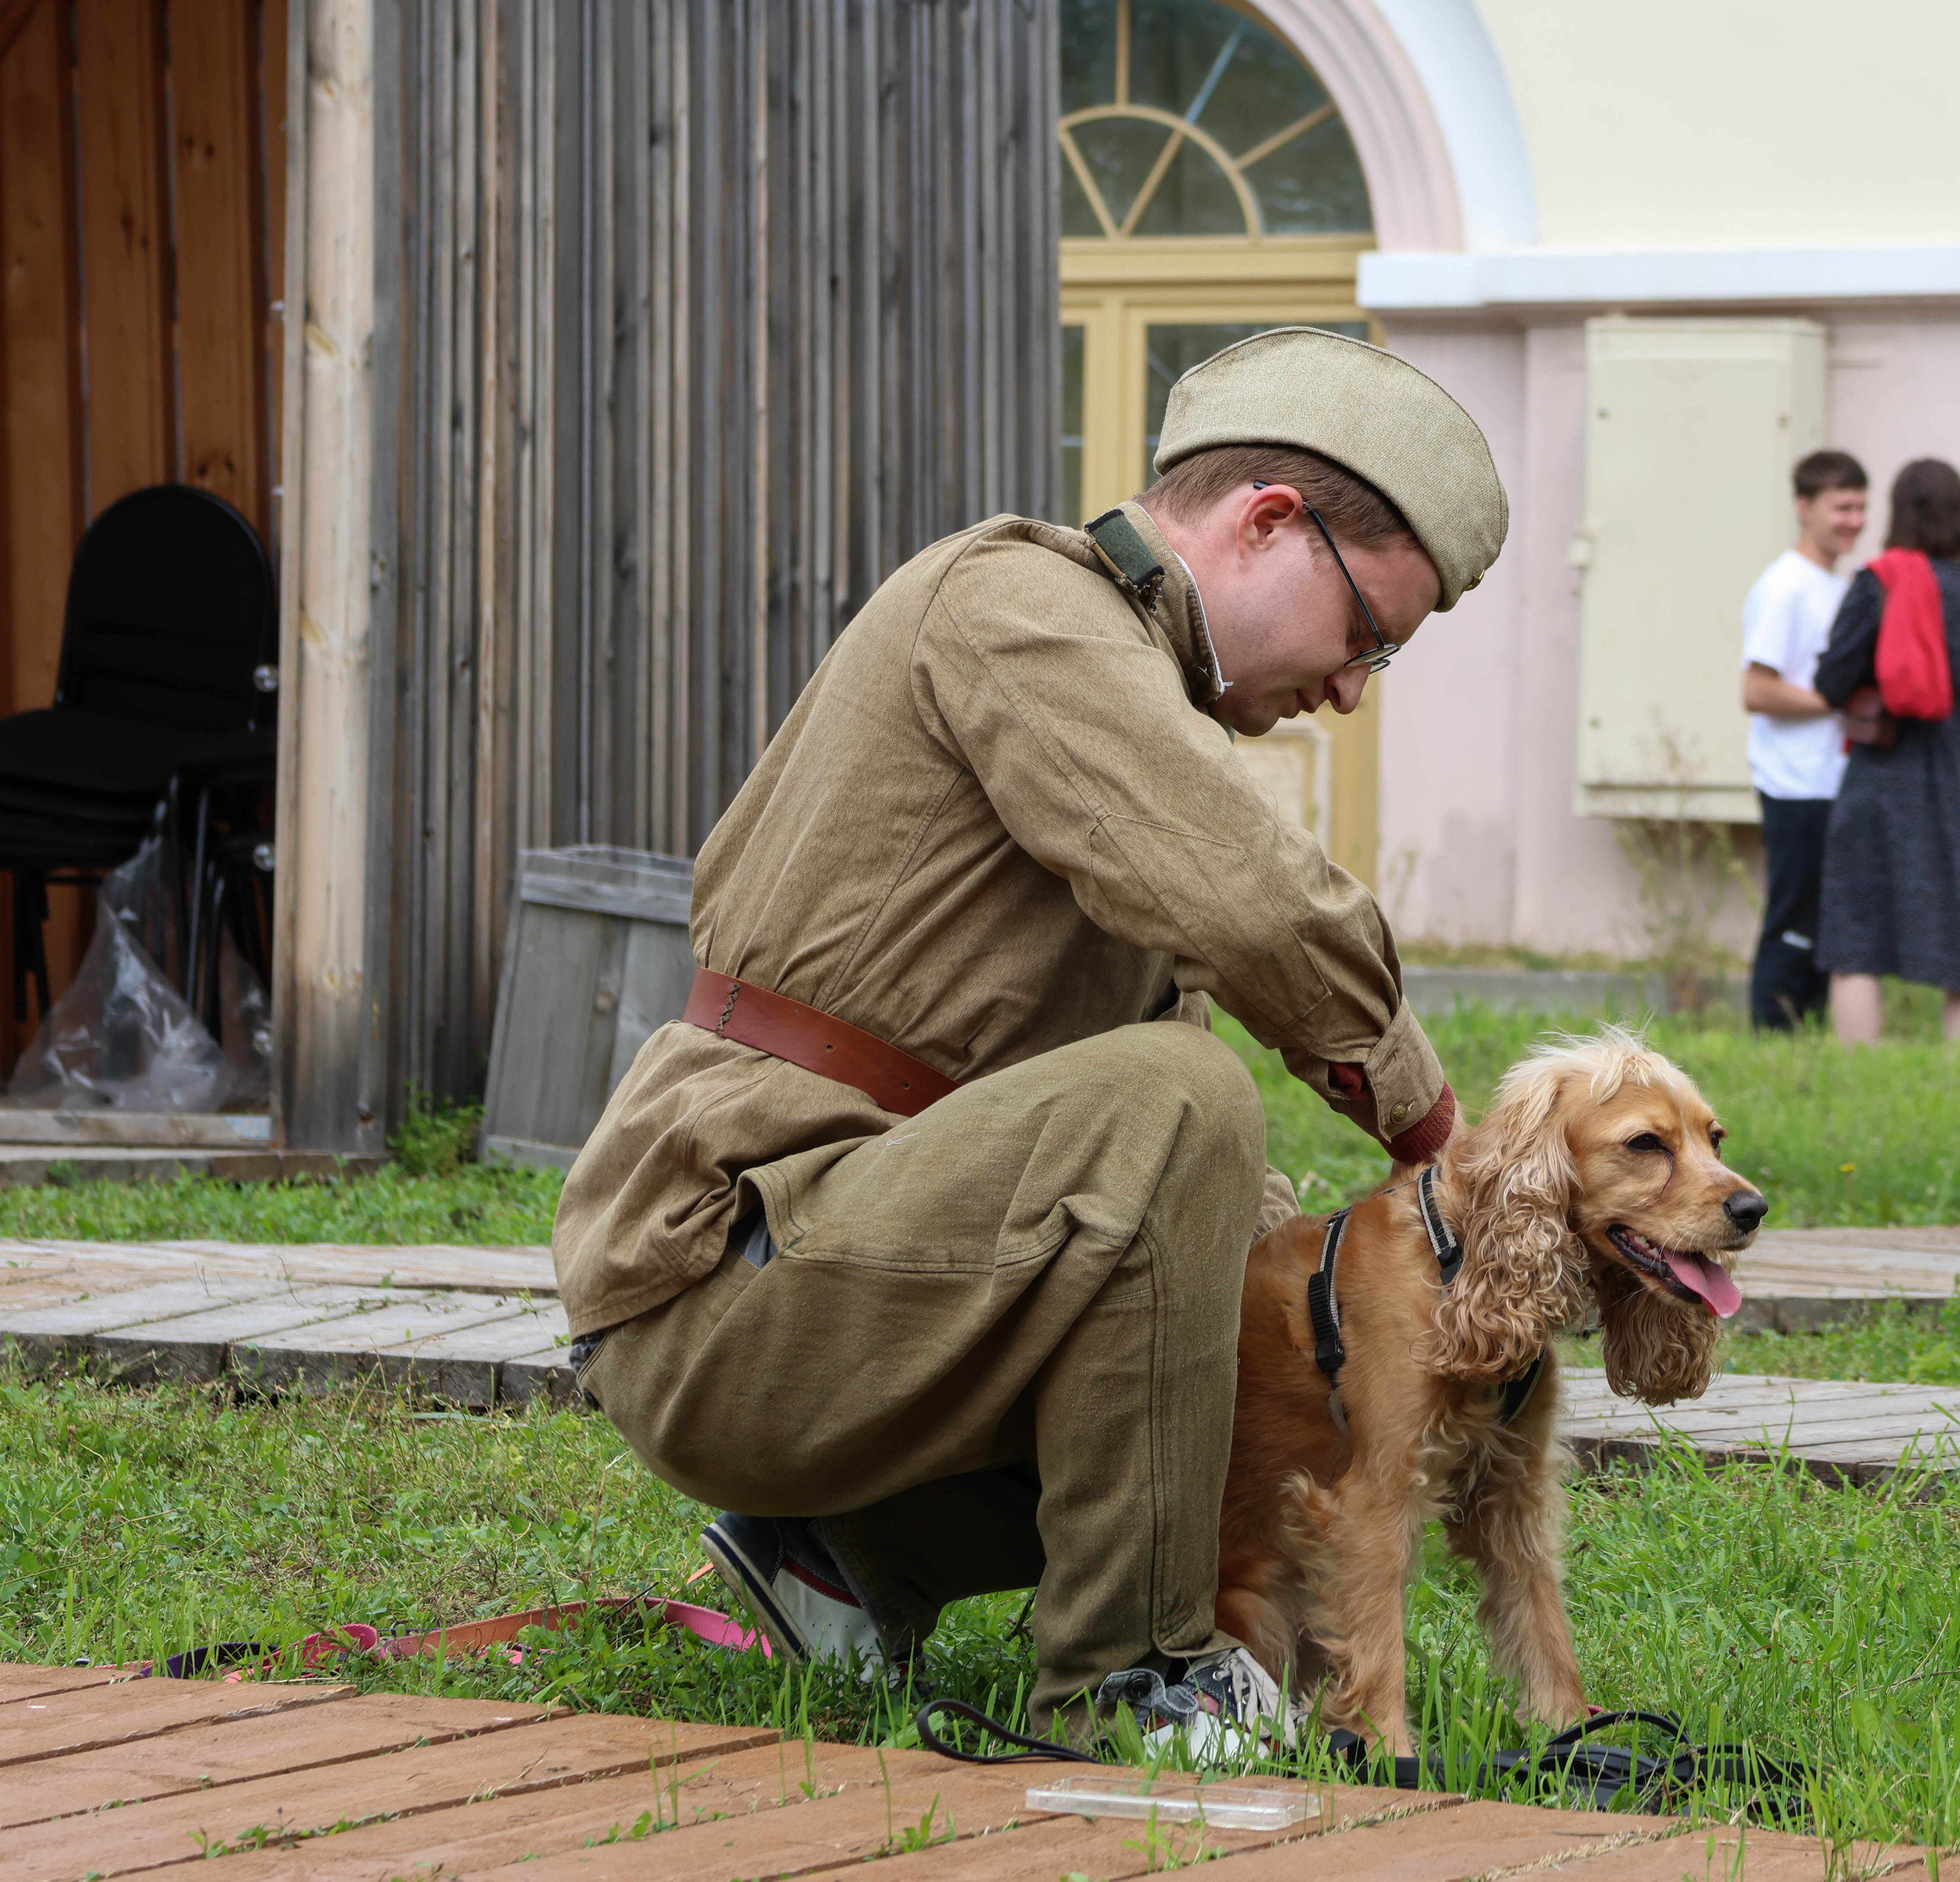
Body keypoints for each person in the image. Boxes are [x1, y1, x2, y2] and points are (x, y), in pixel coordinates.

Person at [550, 327, 1501, 1751]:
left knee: (1271, 1323)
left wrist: (1329, 1337)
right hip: (720, 1281)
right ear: (1267, 523)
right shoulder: (1020, 607)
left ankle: (855, 1558)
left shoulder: (1130, 709)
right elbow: (1254, 905)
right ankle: (1130, 1676)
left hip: (846, 1268)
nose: (1355, 686)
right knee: (1182, 1096)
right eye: (1368, 634)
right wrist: (1447, 1155)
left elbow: (1176, 1226)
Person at [1809, 458, 1960, 1045]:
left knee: (1857, 937)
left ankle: (1860, 1072)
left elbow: (1831, 682)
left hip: (1880, 780)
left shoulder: (1879, 583)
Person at [1738, 450, 1867, 1030]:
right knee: (1792, 918)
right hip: (1795, 785)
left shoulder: (1832, 586)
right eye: (1842, 506)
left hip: (1829, 781)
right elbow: (1757, 690)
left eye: (1862, 507)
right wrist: (1836, 701)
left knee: (1823, 919)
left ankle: (1804, 1031)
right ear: (1804, 507)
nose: (1855, 520)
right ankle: (1771, 1035)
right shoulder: (1786, 587)